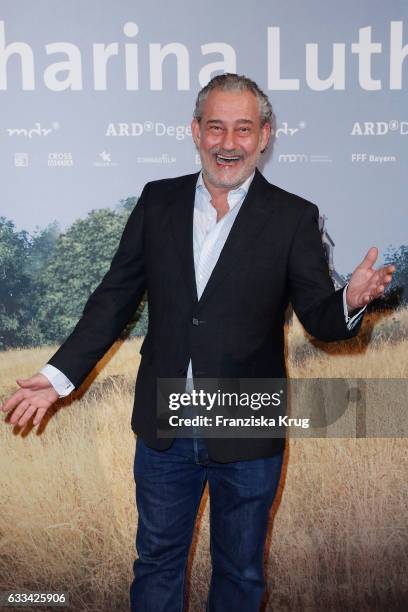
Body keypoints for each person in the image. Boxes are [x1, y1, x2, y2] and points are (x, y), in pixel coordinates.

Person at [1, 74, 395, 611]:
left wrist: (349, 298)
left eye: (242, 129)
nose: (227, 143)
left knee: (240, 573)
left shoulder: (293, 216)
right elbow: (112, 300)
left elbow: (321, 319)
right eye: (215, 128)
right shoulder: (157, 201)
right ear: (194, 131)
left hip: (247, 426)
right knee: (157, 565)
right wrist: (55, 378)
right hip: (167, 429)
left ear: (264, 135)